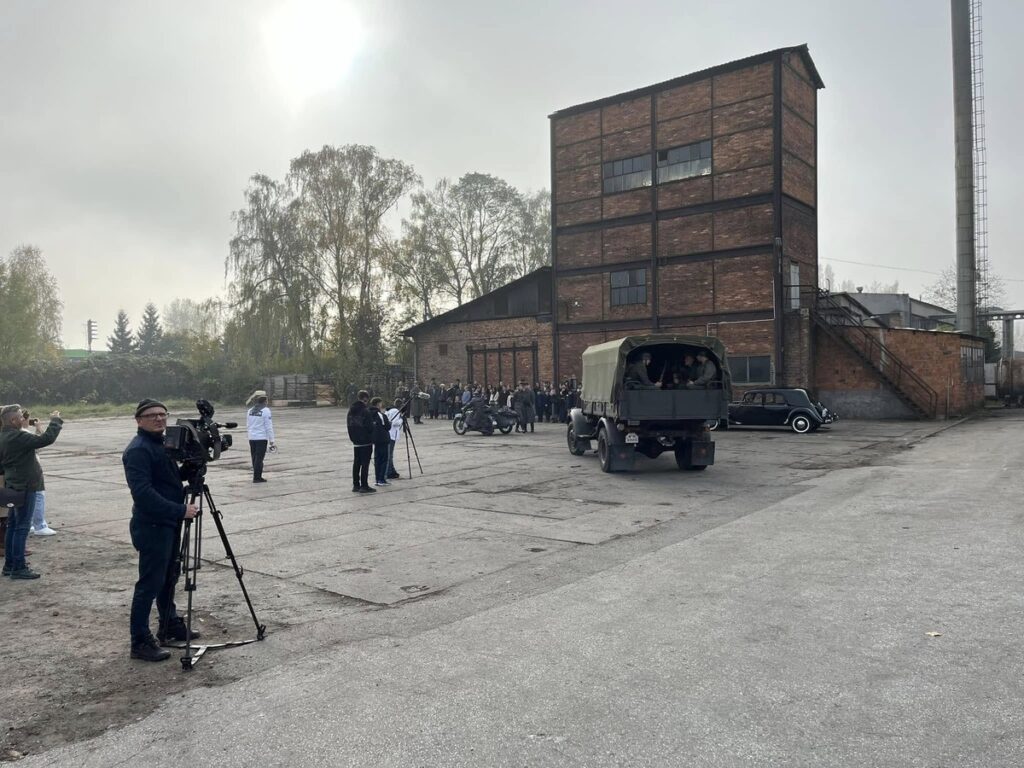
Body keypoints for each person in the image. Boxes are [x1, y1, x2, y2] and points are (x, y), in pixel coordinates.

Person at [122, 398, 200, 662]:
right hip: (152, 525)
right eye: (152, 415)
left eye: (163, 414)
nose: (159, 419)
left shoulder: (160, 444)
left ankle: (169, 624)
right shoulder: (138, 450)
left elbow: (167, 479)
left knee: (169, 577)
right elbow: (143, 494)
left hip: (168, 523)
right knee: (150, 583)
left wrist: (189, 468)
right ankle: (140, 641)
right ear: (139, 420)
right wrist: (180, 510)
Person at [0, 404, 62, 579]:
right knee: (22, 527)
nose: (23, 419)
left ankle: (10, 565)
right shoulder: (18, 437)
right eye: (21, 417)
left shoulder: (3, 436)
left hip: (13, 485)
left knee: (13, 526)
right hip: (25, 486)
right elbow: (46, 439)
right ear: (13, 420)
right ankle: (19, 568)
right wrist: (55, 421)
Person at [21, 409, 57, 536]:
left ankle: (30, 523)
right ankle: (40, 525)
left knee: (25, 499)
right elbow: (41, 442)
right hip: (31, 470)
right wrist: (40, 428)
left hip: (20, 472)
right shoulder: (23, 433)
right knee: (38, 495)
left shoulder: (13, 433)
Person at [347, 390, 375, 494]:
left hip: (355, 440)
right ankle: (364, 485)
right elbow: (370, 427)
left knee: (356, 463)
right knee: (365, 464)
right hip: (365, 441)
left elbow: (349, 425)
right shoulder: (365, 411)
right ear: (365, 399)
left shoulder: (350, 411)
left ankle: (356, 485)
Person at [245, 390, 275, 483]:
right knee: (259, 458)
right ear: (265, 401)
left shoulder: (250, 411)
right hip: (261, 438)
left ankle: (256, 475)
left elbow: (248, 424)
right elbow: (268, 426)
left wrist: (250, 434)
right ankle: (257, 477)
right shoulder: (266, 411)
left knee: (254, 457)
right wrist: (272, 440)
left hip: (252, 438)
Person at [368, 397, 391, 487]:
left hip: (375, 440)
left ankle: (377, 479)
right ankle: (381, 479)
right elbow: (387, 427)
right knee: (384, 459)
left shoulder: (368, 414)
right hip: (383, 439)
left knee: (377, 459)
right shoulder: (381, 415)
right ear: (378, 404)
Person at [385, 399, 404, 479]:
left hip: (388, 433)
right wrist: (401, 420)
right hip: (392, 434)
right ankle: (389, 471)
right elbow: (395, 423)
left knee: (389, 454)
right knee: (390, 454)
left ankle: (391, 470)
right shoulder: (396, 411)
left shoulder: (388, 411)